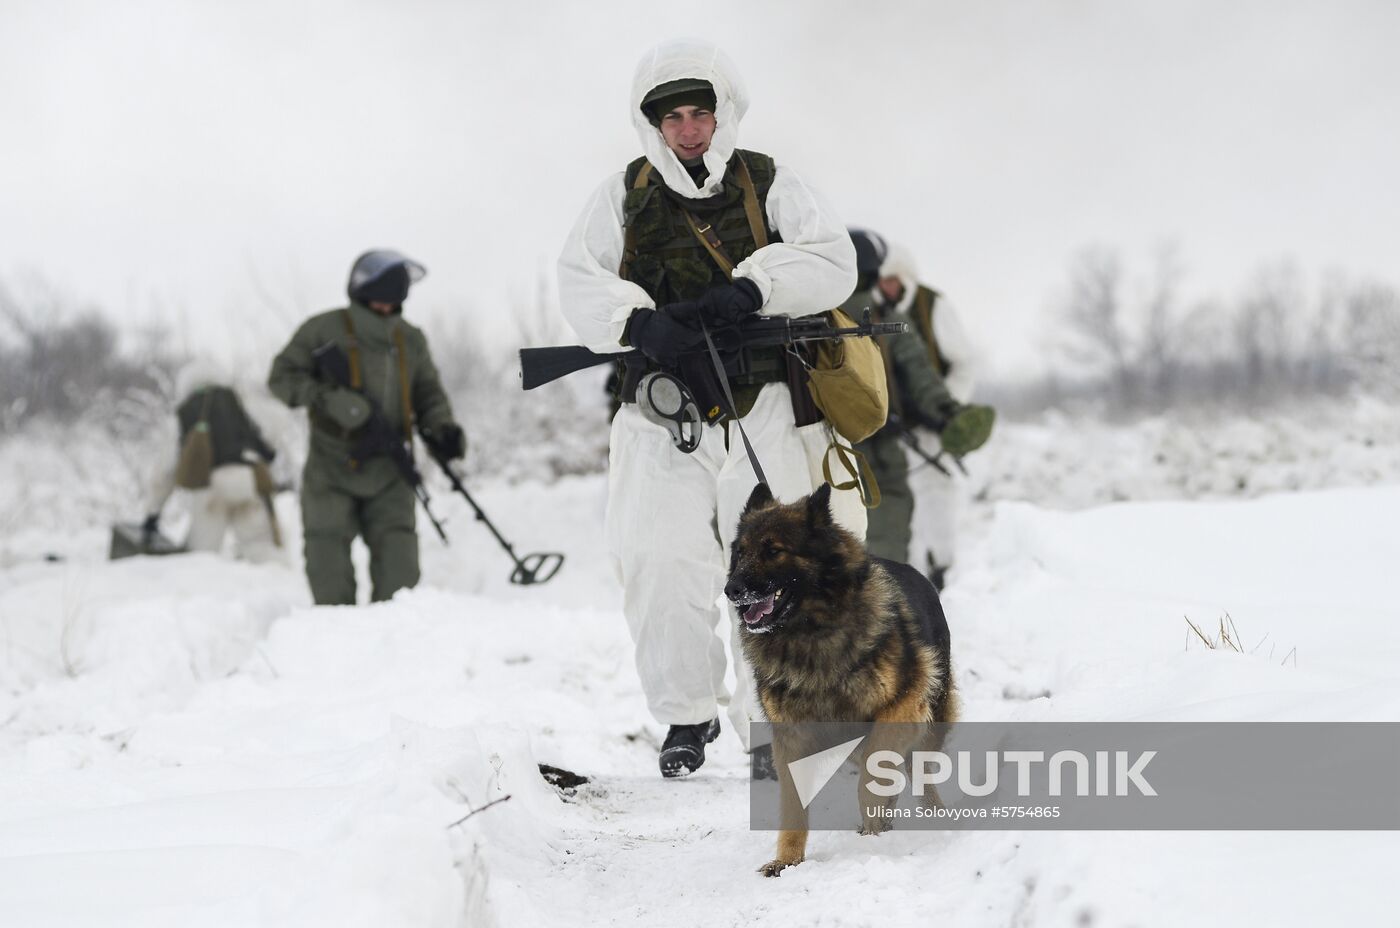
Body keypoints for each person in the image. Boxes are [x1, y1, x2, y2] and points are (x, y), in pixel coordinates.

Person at [557, 39, 861, 778]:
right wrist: (640, 325)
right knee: (660, 563)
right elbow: (579, 279)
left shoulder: (768, 181)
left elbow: (832, 259)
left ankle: (776, 726)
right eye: (674, 118)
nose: (688, 129)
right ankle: (686, 717)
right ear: (653, 124)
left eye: (700, 113)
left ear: (722, 114)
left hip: (762, 407)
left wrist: (753, 290)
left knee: (776, 570)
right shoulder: (622, 194)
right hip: (661, 414)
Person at [267, 250, 466, 605]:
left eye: (395, 302)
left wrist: (443, 429)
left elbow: (428, 393)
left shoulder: (410, 339)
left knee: (400, 584)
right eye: (380, 301)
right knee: (329, 580)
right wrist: (327, 398)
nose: (387, 309)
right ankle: (335, 651)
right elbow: (281, 378)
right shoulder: (322, 329)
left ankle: (393, 652)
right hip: (330, 470)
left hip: (391, 471)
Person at [843, 230, 994, 577]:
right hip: (883, 441)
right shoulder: (882, 316)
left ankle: (934, 569)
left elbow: (952, 366)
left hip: (832, 443)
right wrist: (947, 413)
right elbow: (920, 372)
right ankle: (892, 602)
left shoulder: (807, 311)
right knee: (890, 521)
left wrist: (941, 415)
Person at [143, 359, 281, 563]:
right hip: (247, 480)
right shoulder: (238, 399)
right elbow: (271, 430)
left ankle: (198, 594)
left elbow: (166, 469)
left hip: (210, 487)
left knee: (201, 557)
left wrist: (153, 512)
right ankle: (274, 589)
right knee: (261, 552)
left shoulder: (185, 412)